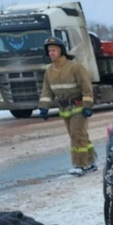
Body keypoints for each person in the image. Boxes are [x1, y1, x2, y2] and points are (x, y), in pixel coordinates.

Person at [38, 37, 96, 176]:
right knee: (78, 136)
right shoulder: (49, 71)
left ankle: (80, 165)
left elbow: (86, 87)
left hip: (79, 107)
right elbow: (47, 90)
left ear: (61, 51)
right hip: (64, 109)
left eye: (54, 50)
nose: (51, 53)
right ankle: (91, 161)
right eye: (49, 50)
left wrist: (88, 105)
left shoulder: (75, 67)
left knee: (77, 135)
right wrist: (44, 107)